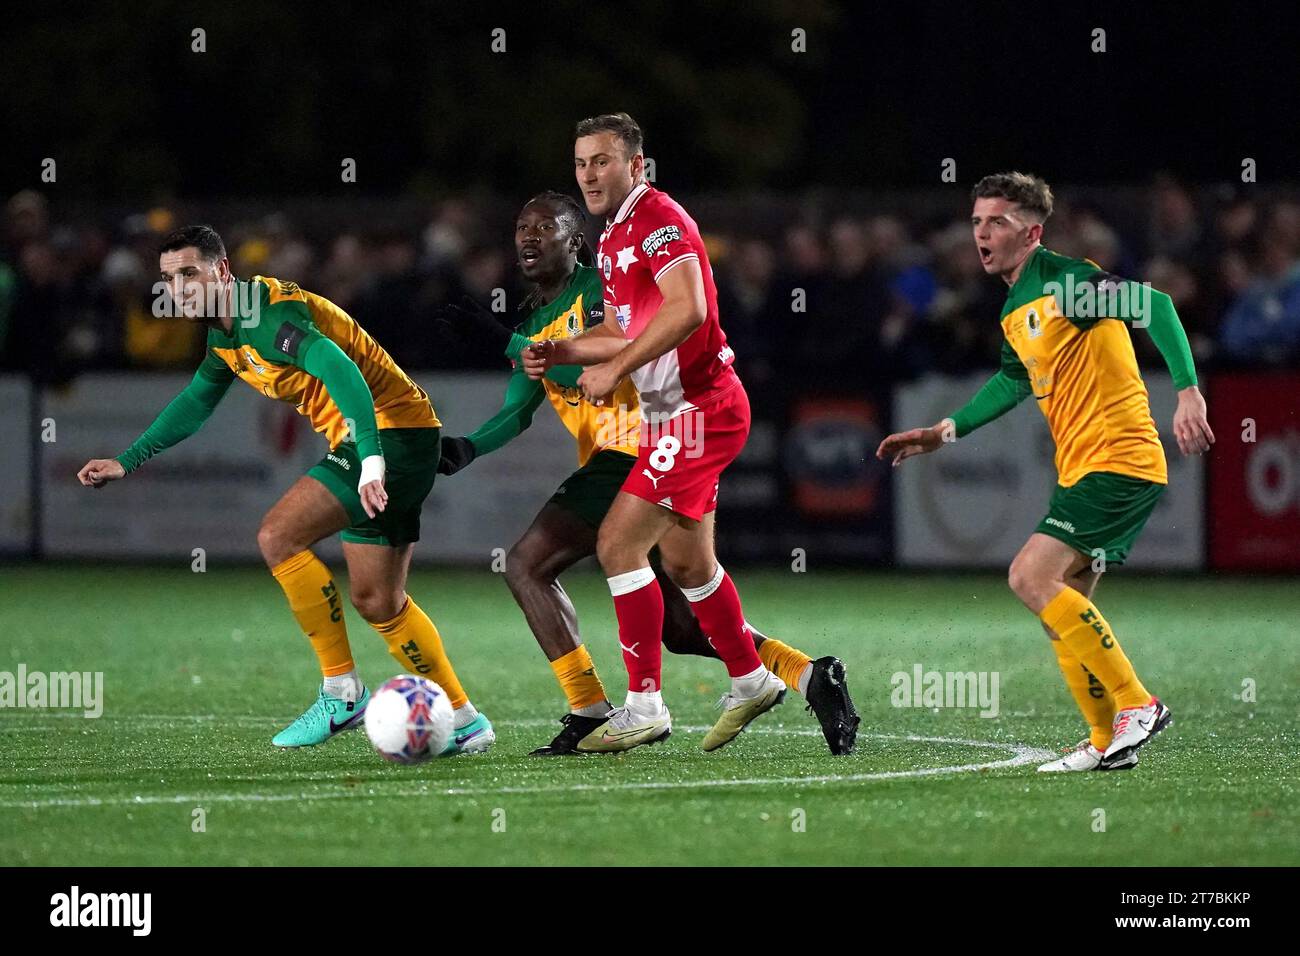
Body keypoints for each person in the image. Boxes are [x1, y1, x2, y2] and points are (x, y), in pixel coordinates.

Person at [439, 191, 859, 755]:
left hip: (640, 445)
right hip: (643, 452)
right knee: (680, 625)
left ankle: (593, 707)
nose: (529, 236)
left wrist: (519, 344)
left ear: (577, 240)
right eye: (521, 226)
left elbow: (625, 345)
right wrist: (467, 447)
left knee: (527, 563)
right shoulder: (537, 320)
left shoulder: (605, 286)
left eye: (546, 226)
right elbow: (519, 410)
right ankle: (808, 675)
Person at [76, 225, 494, 754]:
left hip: (387, 437)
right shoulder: (225, 333)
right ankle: (465, 716)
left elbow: (342, 372)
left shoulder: (266, 316)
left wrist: (368, 459)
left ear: (221, 271)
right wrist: (126, 460)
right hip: (399, 437)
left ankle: (342, 691)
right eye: (168, 279)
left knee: (278, 535)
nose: (177, 289)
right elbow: (196, 402)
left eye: (189, 273)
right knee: (378, 601)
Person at [877, 173, 1214, 772]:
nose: (982, 232)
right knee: (1064, 609)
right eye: (976, 221)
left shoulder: (1067, 283)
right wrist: (943, 432)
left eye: (997, 222)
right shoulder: (1014, 306)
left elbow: (1155, 305)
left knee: (1029, 576)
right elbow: (1013, 379)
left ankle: (1138, 705)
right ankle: (1105, 737)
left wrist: (1188, 393)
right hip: (1085, 466)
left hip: (1120, 457)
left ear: (1031, 233)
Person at [524, 113, 786, 753]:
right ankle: (752, 679)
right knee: (688, 563)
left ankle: (644, 707)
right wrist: (563, 351)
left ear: (635, 165)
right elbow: (622, 328)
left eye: (603, 161)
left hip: (703, 408)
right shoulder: (613, 237)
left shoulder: (659, 216)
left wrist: (615, 367)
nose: (589, 174)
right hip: (678, 414)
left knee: (617, 544)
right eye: (581, 162)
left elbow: (688, 306)